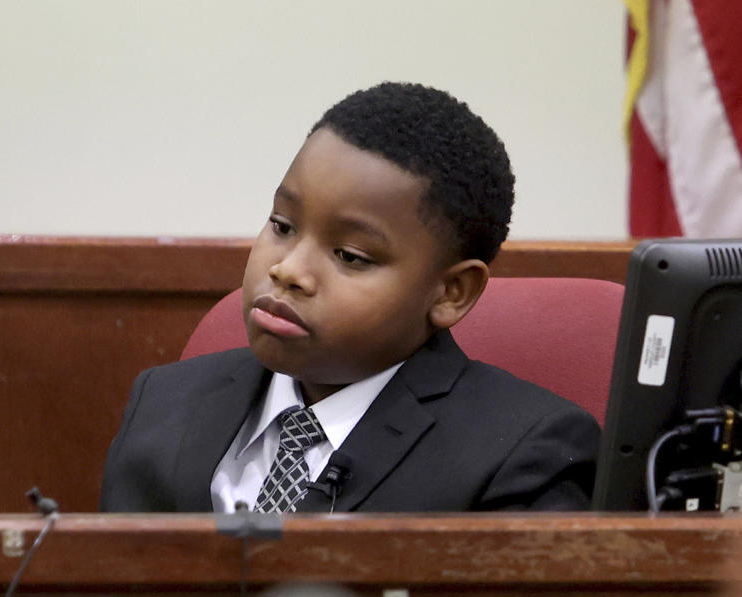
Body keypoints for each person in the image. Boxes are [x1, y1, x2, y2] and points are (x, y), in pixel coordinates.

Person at [100, 82, 599, 513]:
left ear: (451, 292)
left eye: (350, 255)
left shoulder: (523, 454)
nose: (288, 270)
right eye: (282, 225)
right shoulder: (163, 403)